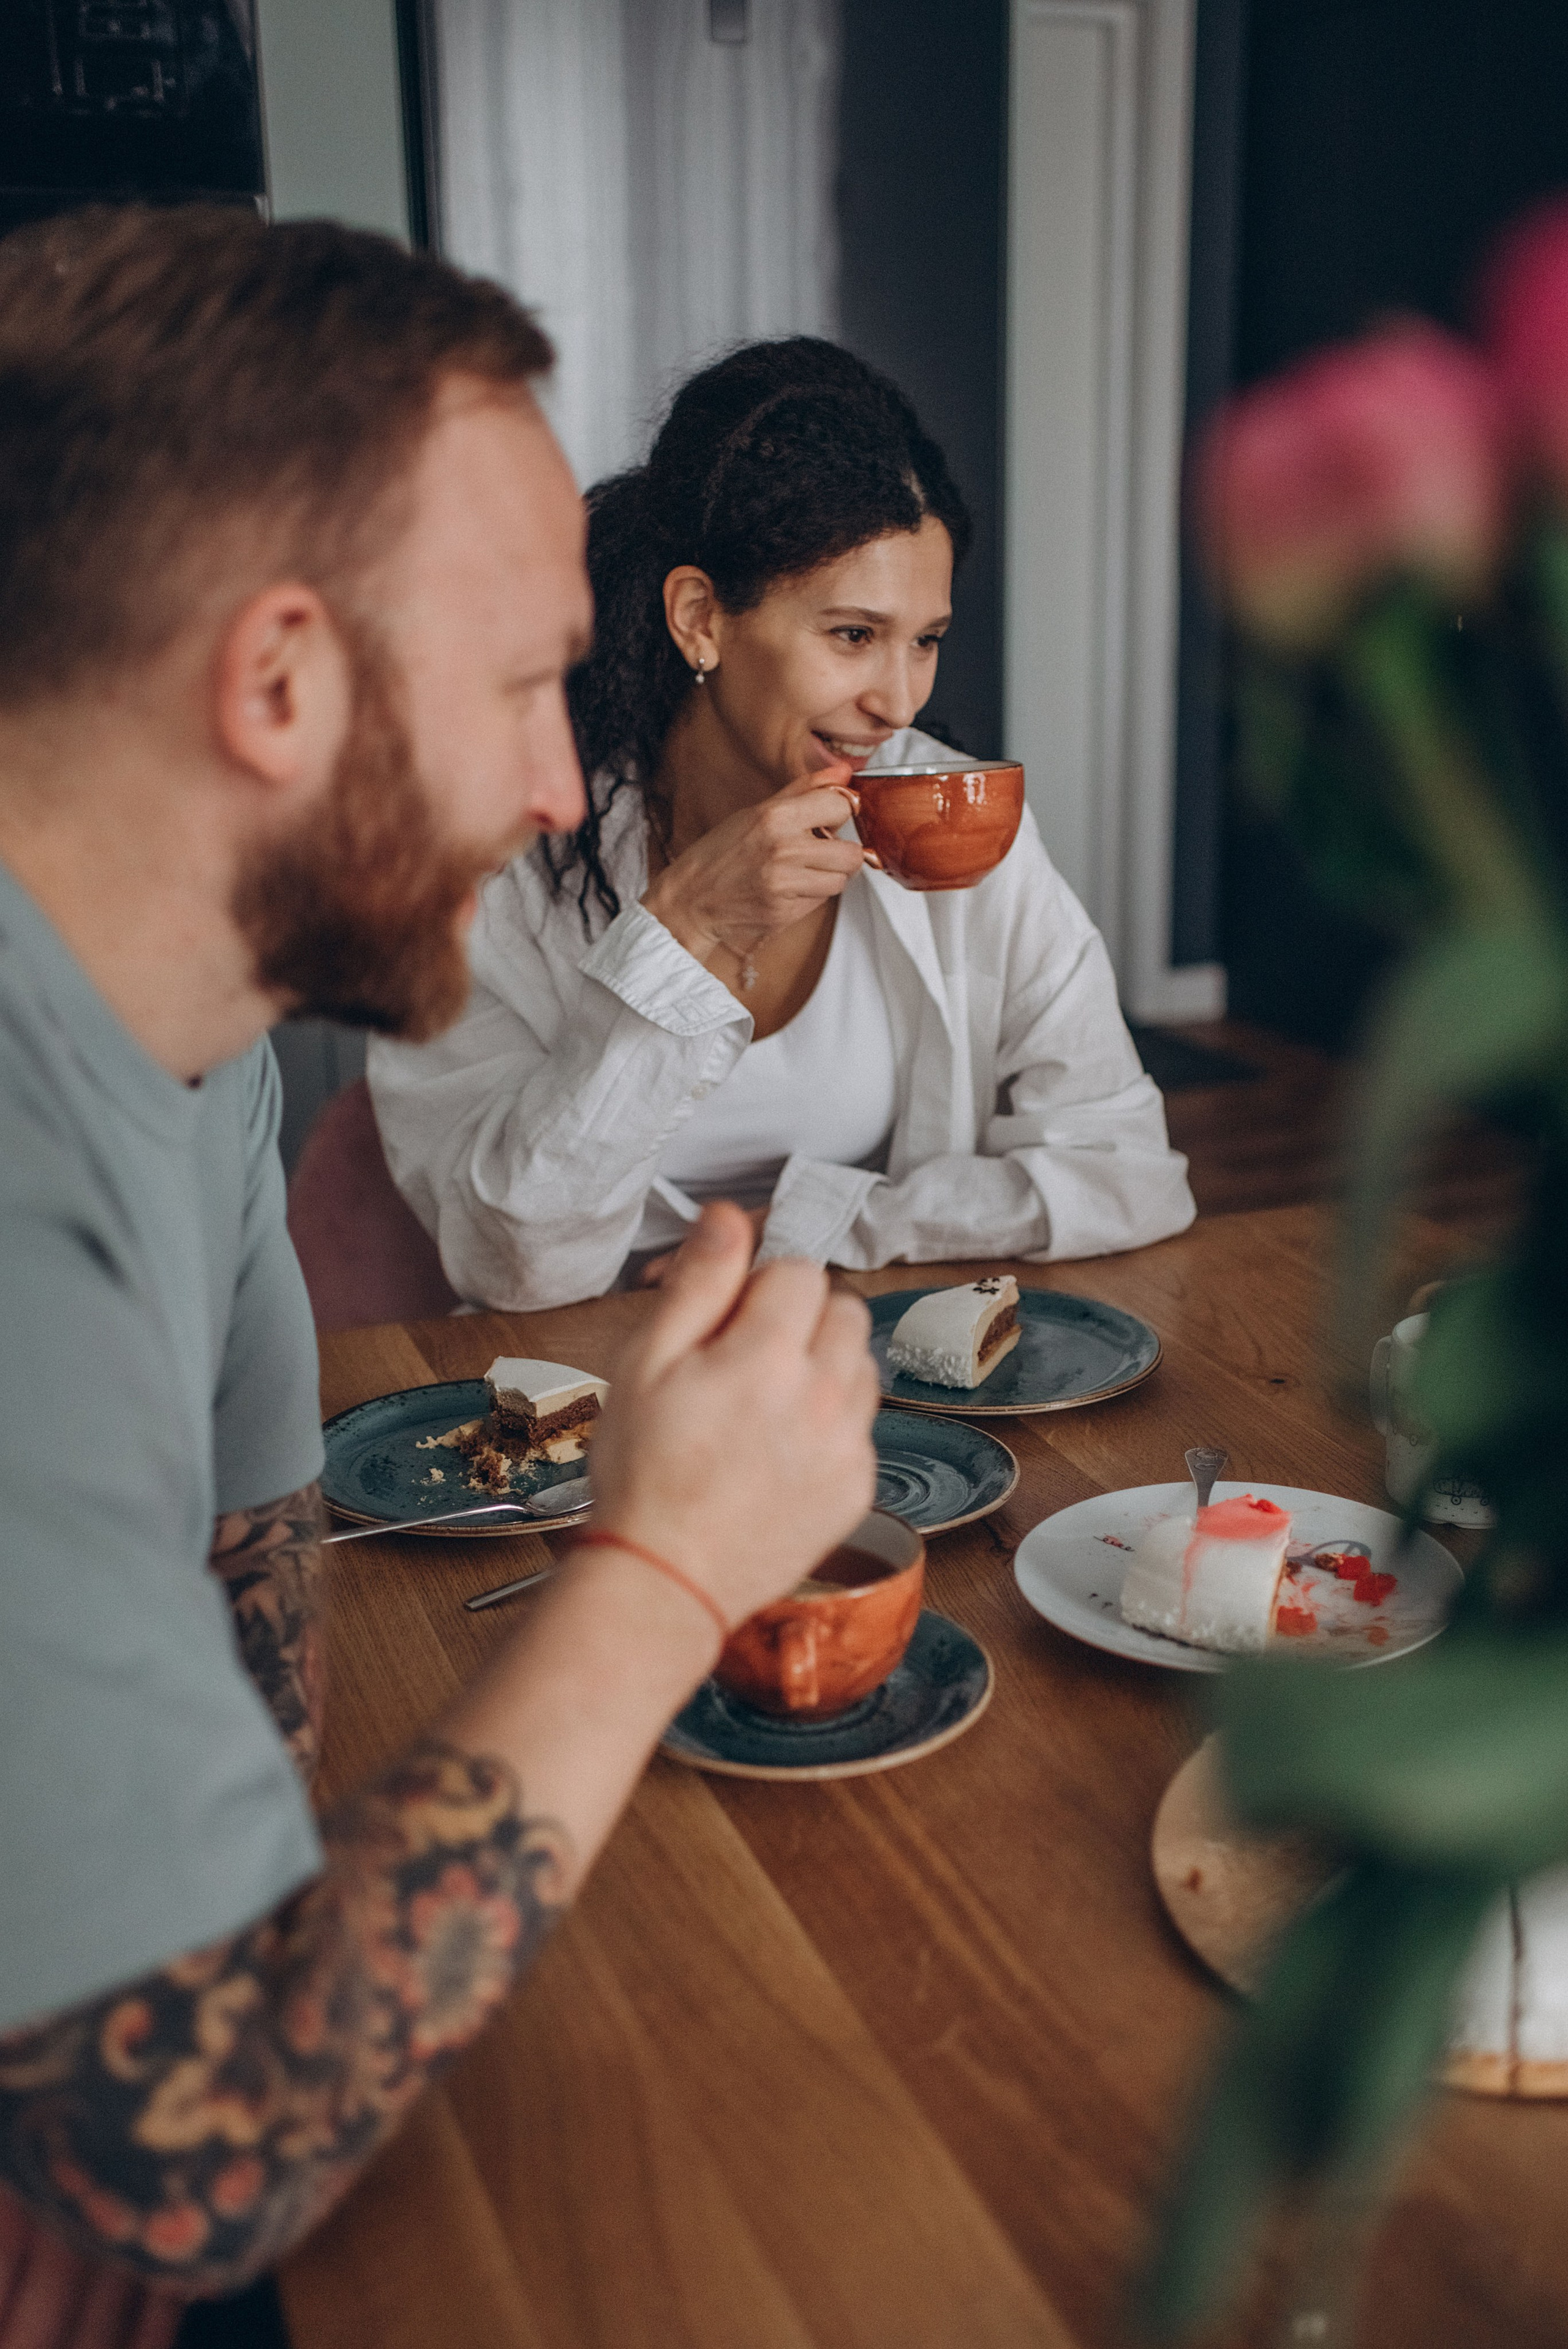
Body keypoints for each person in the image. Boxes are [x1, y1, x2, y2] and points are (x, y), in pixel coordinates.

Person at [0, 206, 878, 2347]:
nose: (559, 780)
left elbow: (243, 1552)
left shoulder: (184, 1033)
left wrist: (191, 1963)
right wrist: (671, 1565)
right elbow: (200, 2147)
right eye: (512, 686)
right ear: (276, 680)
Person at [366, 338, 1197, 1312]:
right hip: (581, 1386)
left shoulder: (955, 814)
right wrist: (680, 945)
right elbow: (514, 1266)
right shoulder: (503, 855)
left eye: (925, 641)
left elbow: (1132, 1175)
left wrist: (823, 1227)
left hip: (871, 1365)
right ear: (701, 619)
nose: (898, 701)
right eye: (853, 636)